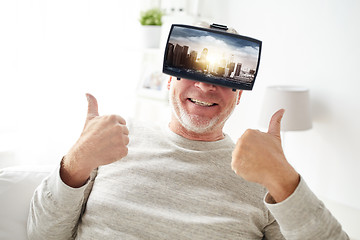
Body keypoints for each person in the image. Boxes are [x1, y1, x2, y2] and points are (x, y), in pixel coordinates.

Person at [27, 28, 349, 240]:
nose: (206, 86)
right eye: (192, 73)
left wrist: (284, 180)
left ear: (240, 95)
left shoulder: (264, 177)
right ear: (169, 80)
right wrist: (76, 162)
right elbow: (40, 233)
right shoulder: (111, 141)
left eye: (222, 78)